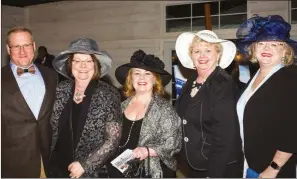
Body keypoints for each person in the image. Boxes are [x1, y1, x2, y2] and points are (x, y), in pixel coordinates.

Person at [48, 38, 122, 178]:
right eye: (77, 61)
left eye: (88, 61)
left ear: (95, 65)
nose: (83, 66)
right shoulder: (60, 90)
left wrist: (85, 165)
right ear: (70, 64)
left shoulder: (109, 94)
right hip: (57, 168)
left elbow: (113, 140)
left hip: (91, 172)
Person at [174, 30, 243, 177]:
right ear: (191, 56)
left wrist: (213, 174)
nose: (202, 55)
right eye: (197, 51)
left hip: (219, 168)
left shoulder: (224, 85)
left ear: (218, 55)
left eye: (208, 50)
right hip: (195, 163)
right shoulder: (191, 81)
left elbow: (225, 137)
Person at [236, 15, 297, 178]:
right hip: (250, 164)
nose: (266, 49)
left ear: (285, 50)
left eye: (274, 44)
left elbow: (292, 129)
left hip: (273, 171)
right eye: (261, 43)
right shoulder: (254, 77)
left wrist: (274, 168)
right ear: (254, 49)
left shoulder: (291, 77)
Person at [107, 50, 182, 178]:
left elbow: (174, 143)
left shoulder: (164, 109)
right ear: (131, 79)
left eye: (147, 73)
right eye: (137, 73)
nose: (142, 78)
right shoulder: (120, 106)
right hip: (120, 169)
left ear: (155, 80)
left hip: (153, 171)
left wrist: (147, 151)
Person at [1, 26, 58, 177]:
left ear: (33, 46)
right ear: (8, 49)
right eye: (16, 46)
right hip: (12, 164)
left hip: (49, 160)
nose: (22, 51)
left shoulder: (52, 76)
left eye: (26, 45)